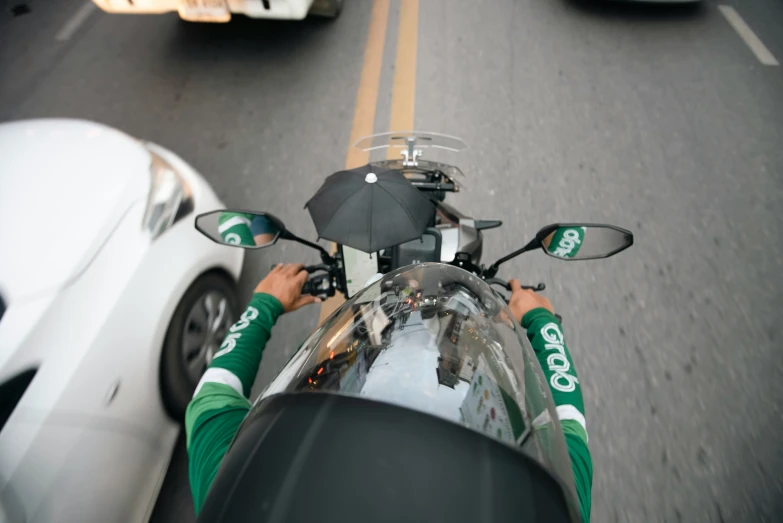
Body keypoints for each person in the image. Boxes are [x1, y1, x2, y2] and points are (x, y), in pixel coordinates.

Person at [185, 266, 592, 522]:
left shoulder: (236, 486)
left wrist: (263, 304)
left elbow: (212, 393)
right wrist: (541, 321)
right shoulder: (550, 500)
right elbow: (565, 424)